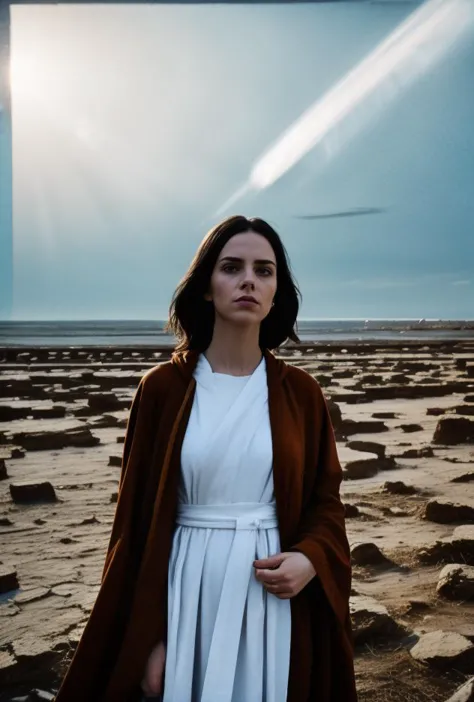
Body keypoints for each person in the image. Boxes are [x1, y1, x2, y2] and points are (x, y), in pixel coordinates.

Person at [54, 215, 358, 702]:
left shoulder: (301, 393)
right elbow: (134, 528)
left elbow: (327, 502)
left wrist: (309, 559)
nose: (248, 281)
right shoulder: (161, 389)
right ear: (205, 287)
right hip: (185, 587)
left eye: (264, 270)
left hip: (273, 592)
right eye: (231, 267)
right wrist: (147, 640)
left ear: (276, 291)